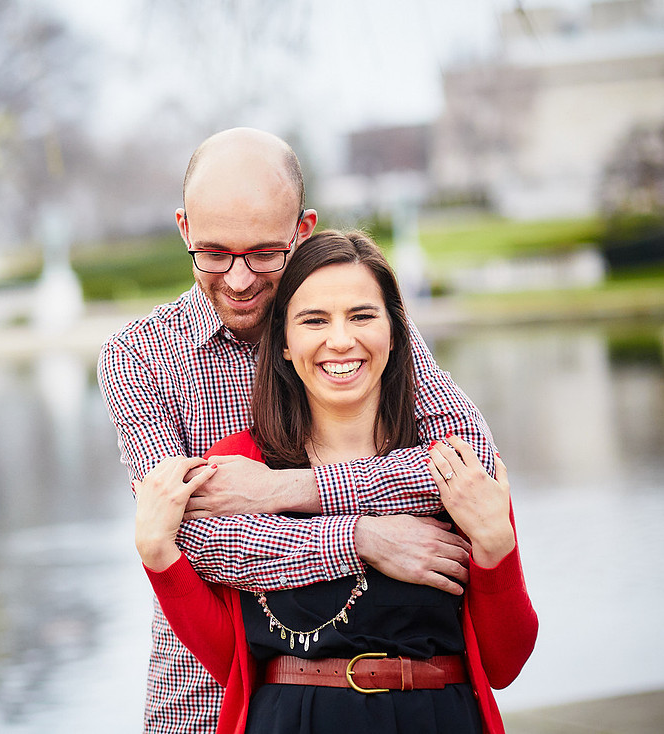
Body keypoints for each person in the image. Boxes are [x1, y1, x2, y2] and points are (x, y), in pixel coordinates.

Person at [98, 127, 492, 733]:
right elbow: (194, 545)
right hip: (204, 697)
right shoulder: (139, 356)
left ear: (302, 231)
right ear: (183, 230)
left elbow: (473, 469)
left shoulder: (353, 332)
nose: (237, 279)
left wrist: (285, 491)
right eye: (213, 253)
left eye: (262, 252)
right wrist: (362, 538)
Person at [134, 230, 538, 734]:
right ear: (282, 342)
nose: (341, 340)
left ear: (395, 330)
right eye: (314, 321)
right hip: (291, 722)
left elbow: (507, 662)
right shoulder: (239, 467)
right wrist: (158, 557)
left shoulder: (452, 463)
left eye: (362, 316)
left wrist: (497, 545)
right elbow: (228, 661)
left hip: (436, 718)